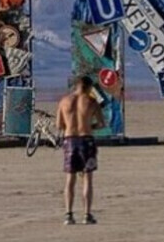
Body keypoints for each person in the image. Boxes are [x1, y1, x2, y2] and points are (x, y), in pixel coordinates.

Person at [56, 75, 104, 225]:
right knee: (87, 178)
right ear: (89, 87)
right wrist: (90, 126)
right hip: (86, 140)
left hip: (70, 140)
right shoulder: (91, 101)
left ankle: (68, 214)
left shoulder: (64, 101)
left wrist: (70, 127)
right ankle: (87, 214)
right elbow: (102, 123)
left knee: (70, 179)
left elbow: (59, 125)